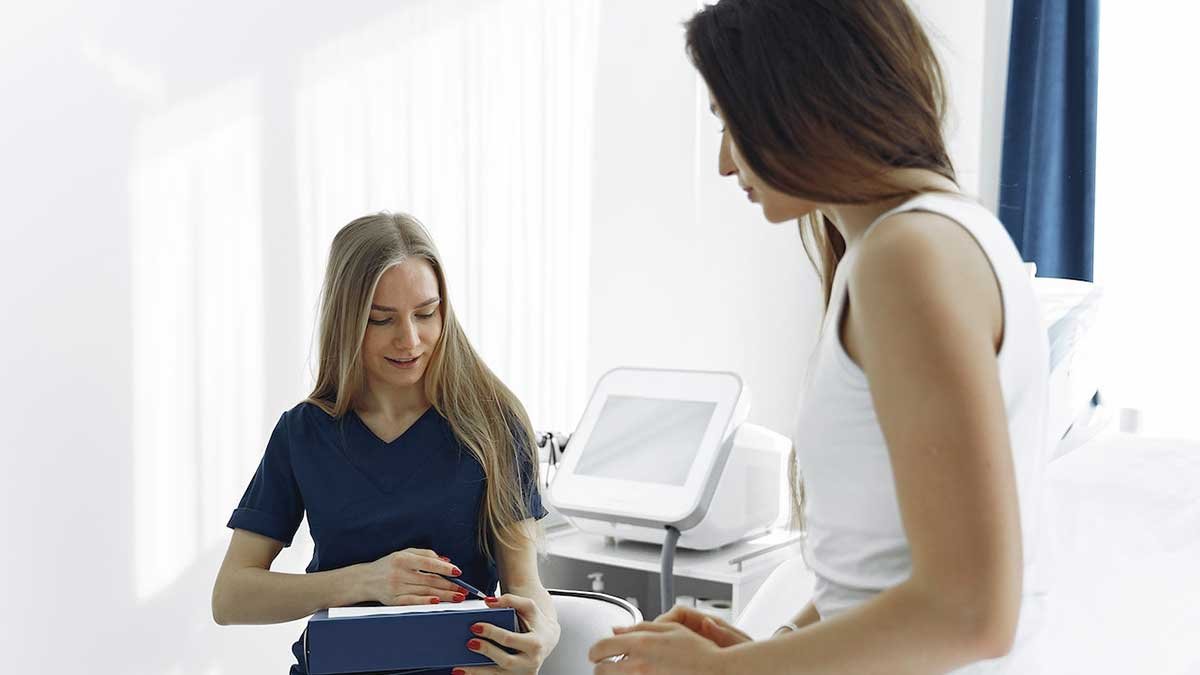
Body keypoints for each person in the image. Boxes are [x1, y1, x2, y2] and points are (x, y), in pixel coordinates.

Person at [589, 1, 1051, 673]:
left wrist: (718, 671)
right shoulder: (918, 242)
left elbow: (970, 613)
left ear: (802, 97)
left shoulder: (909, 256)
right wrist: (773, 649)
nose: (725, 163)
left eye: (730, 122)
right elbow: (880, 571)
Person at [211, 212, 559, 675]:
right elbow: (230, 597)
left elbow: (527, 585)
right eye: (381, 319)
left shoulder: (494, 424)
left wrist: (544, 635)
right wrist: (366, 580)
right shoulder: (303, 433)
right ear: (347, 320)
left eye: (426, 313)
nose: (409, 340)